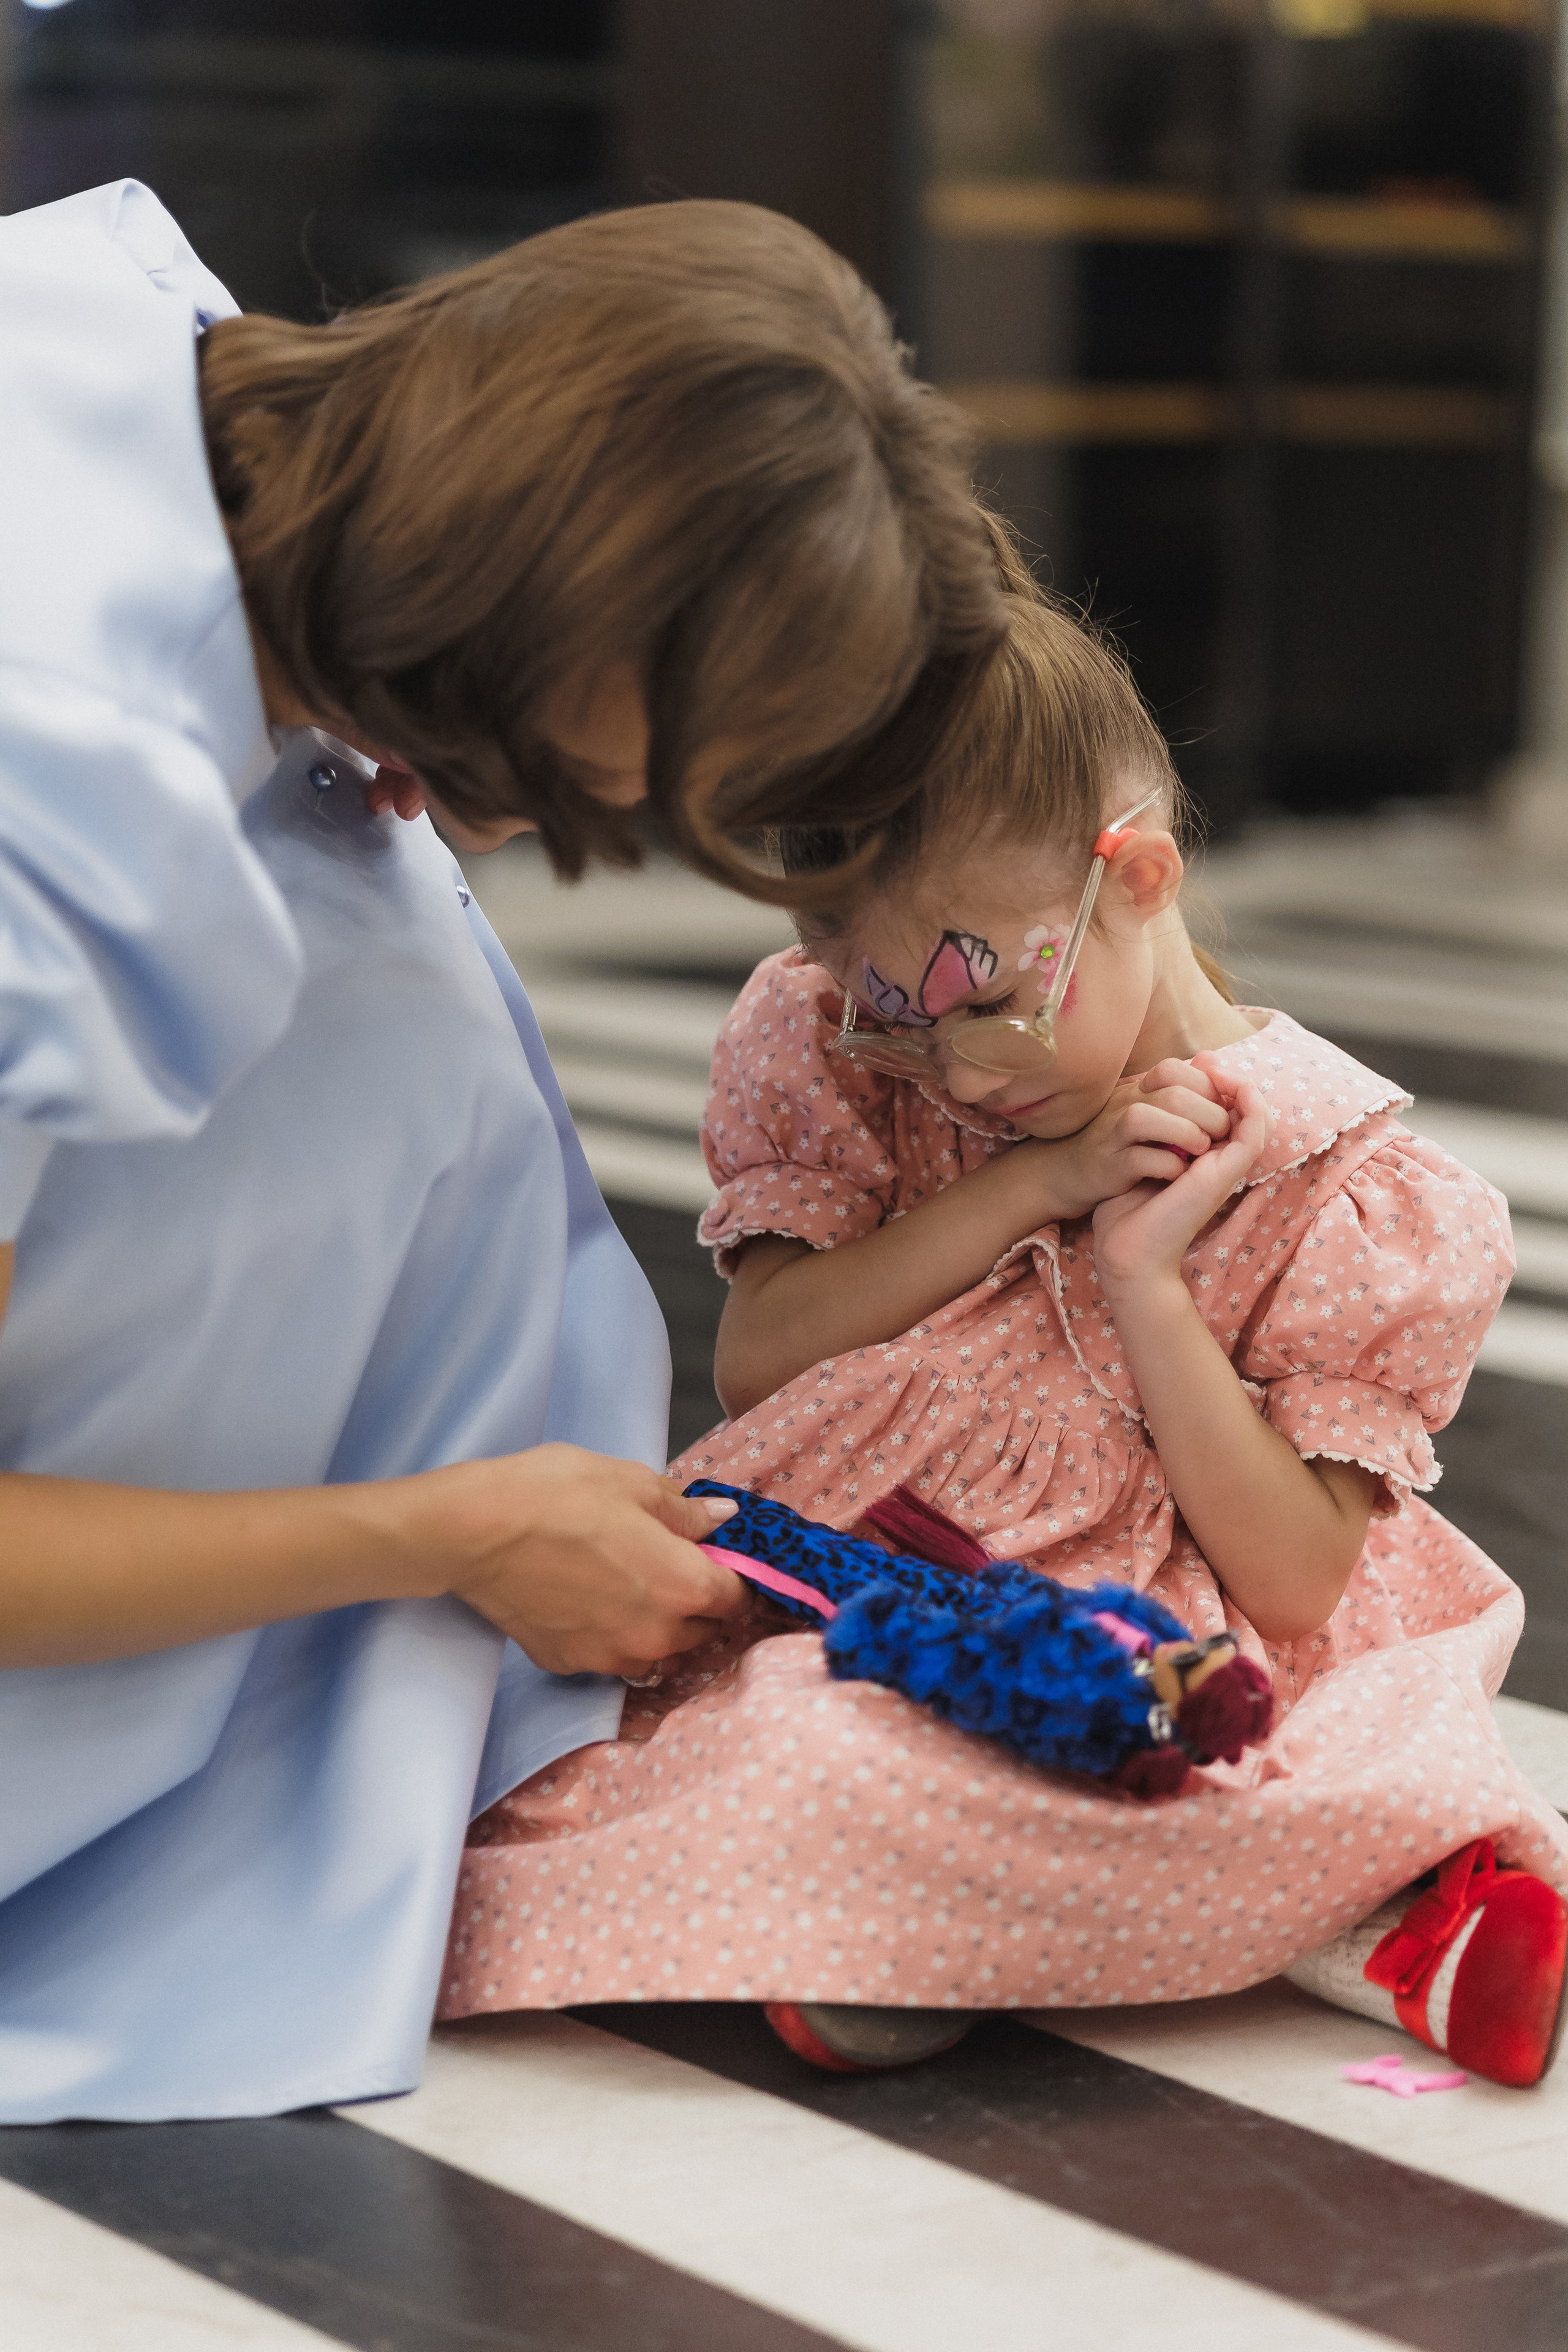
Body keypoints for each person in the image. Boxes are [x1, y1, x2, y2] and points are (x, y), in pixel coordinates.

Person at [0, 178, 1006, 2122]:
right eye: (662, 762)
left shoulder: (200, 409)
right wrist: (438, 1535)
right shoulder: (55, 816)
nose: (624, 808)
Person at [442, 547, 1568, 2088]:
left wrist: (1145, 1287)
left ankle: (1355, 1925)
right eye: (888, 1018)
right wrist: (1027, 1183)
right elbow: (760, 1356)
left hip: (1165, 1637)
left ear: (1139, 879)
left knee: (1219, 1765)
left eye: (987, 1004)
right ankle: (1093, 1918)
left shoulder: (1353, 1185)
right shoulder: (844, 1057)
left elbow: (1299, 1583)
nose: (956, 1073)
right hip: (860, 1584)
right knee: (784, 1732)